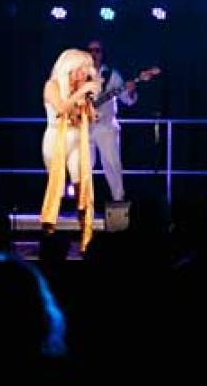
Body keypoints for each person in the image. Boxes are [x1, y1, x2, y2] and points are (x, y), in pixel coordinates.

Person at [41, 48, 101, 250]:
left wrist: (90, 105)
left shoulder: (82, 90)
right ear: (70, 68)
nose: (85, 73)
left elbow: (90, 117)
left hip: (77, 141)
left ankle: (86, 237)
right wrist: (80, 93)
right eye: (82, 69)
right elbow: (61, 108)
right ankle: (48, 235)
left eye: (87, 69)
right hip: (56, 138)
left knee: (82, 187)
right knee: (56, 187)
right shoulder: (52, 85)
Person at [86, 39, 136, 203]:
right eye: (90, 50)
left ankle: (118, 200)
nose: (93, 54)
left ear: (102, 53)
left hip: (106, 126)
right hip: (83, 126)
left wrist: (131, 91)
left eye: (97, 50)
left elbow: (127, 100)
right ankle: (83, 202)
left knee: (112, 164)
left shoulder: (112, 75)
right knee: (82, 166)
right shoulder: (78, 75)